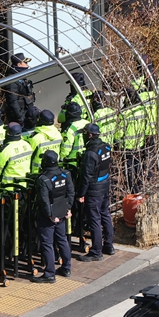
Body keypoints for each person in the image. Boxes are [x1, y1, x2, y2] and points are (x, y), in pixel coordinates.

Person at [33, 150, 73, 283]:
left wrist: (50, 215)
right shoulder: (66, 174)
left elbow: (44, 200)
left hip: (48, 216)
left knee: (47, 244)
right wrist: (68, 209)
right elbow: (71, 192)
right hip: (62, 211)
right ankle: (66, 268)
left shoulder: (43, 179)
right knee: (62, 239)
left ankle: (50, 273)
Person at [75, 124, 113, 262]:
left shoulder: (90, 153)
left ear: (90, 135)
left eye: (85, 134)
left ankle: (96, 251)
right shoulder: (106, 146)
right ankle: (109, 246)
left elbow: (86, 176)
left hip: (94, 190)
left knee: (95, 220)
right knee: (105, 214)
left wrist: (80, 194)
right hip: (105, 185)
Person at [27, 110, 63, 174]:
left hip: (37, 172)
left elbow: (29, 157)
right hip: (54, 169)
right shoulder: (58, 134)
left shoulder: (36, 138)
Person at [4, 52, 35, 126]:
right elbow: (13, 101)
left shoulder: (21, 77)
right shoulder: (12, 80)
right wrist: (20, 117)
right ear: (19, 65)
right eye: (25, 63)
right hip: (19, 117)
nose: (27, 65)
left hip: (27, 112)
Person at [59, 102, 90, 169]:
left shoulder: (70, 129)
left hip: (73, 163)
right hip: (87, 158)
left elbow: (65, 149)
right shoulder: (87, 123)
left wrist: (61, 162)